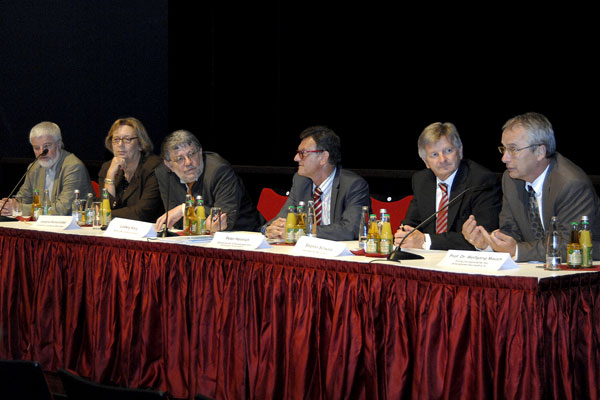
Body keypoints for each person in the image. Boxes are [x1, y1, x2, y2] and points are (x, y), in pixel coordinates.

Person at [462, 112, 600, 261]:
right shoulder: (511, 179)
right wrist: (489, 244)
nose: (504, 158)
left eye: (513, 149)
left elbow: (570, 245)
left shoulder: (570, 185)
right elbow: (510, 231)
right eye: (503, 149)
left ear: (540, 151)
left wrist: (517, 250)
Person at [394, 122, 502, 250]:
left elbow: (482, 236)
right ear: (425, 161)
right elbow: (411, 224)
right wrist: (404, 235)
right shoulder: (422, 181)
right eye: (434, 155)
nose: (442, 159)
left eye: (448, 151)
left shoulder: (481, 181)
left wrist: (425, 241)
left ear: (460, 151)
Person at [264, 125, 370, 241]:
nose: (296, 158)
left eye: (303, 153)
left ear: (323, 158)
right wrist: (270, 229)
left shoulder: (353, 185)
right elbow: (281, 219)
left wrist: (303, 231)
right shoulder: (301, 182)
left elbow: (351, 229)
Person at [154, 130, 262, 232]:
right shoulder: (164, 173)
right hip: (194, 236)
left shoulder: (220, 171)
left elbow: (223, 219)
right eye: (180, 159)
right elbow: (175, 220)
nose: (188, 162)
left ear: (200, 152)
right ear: (169, 165)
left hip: (239, 235)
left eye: (191, 154)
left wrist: (184, 209)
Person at [1, 121, 94, 216]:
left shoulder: (73, 167)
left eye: (46, 147)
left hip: (74, 226)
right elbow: (23, 198)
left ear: (58, 144)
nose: (42, 152)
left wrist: (19, 208)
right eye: (37, 148)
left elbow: (63, 209)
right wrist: (8, 205)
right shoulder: (34, 167)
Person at [97, 117, 164, 222]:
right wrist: (110, 176)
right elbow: (104, 206)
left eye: (127, 139)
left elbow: (143, 213)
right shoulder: (108, 168)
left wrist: (105, 214)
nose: (120, 145)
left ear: (140, 144)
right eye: (116, 139)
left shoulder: (154, 167)